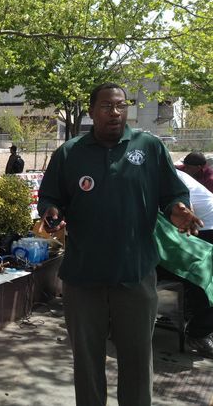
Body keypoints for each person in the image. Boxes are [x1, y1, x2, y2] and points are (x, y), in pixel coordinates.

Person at [38, 82, 202, 406]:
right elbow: (50, 197)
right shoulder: (69, 153)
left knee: (138, 361)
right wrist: (52, 212)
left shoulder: (150, 147)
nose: (115, 112)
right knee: (87, 363)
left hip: (136, 274)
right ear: (91, 112)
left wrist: (177, 210)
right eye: (106, 106)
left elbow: (172, 194)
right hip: (83, 277)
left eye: (121, 105)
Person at [156, 170, 213, 356]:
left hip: (177, 247)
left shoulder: (171, 186)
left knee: (204, 269)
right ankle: (199, 333)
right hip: (158, 260)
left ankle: (200, 327)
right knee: (200, 276)